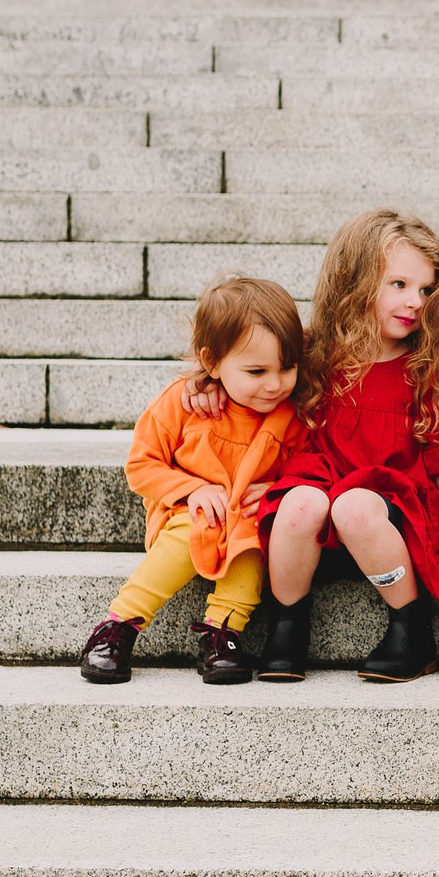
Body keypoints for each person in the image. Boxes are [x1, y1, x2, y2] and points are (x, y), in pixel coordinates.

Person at [249, 209, 439, 683]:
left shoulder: (426, 371)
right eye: (399, 284)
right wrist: (201, 386)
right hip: (320, 503)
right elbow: (247, 375)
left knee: (355, 507)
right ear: (354, 280)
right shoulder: (315, 355)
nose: (416, 302)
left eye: (427, 290)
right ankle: (287, 627)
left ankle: (410, 628)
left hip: (390, 518)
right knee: (301, 503)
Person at [78, 275, 302, 686]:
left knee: (252, 535)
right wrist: (193, 489)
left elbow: (310, 470)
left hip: (248, 523)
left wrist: (277, 491)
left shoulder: (291, 416)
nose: (275, 384)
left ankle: (223, 633)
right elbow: (142, 466)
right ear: (212, 361)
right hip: (188, 514)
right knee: (194, 525)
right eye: (256, 370)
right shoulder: (185, 404)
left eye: (287, 367)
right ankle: (120, 626)